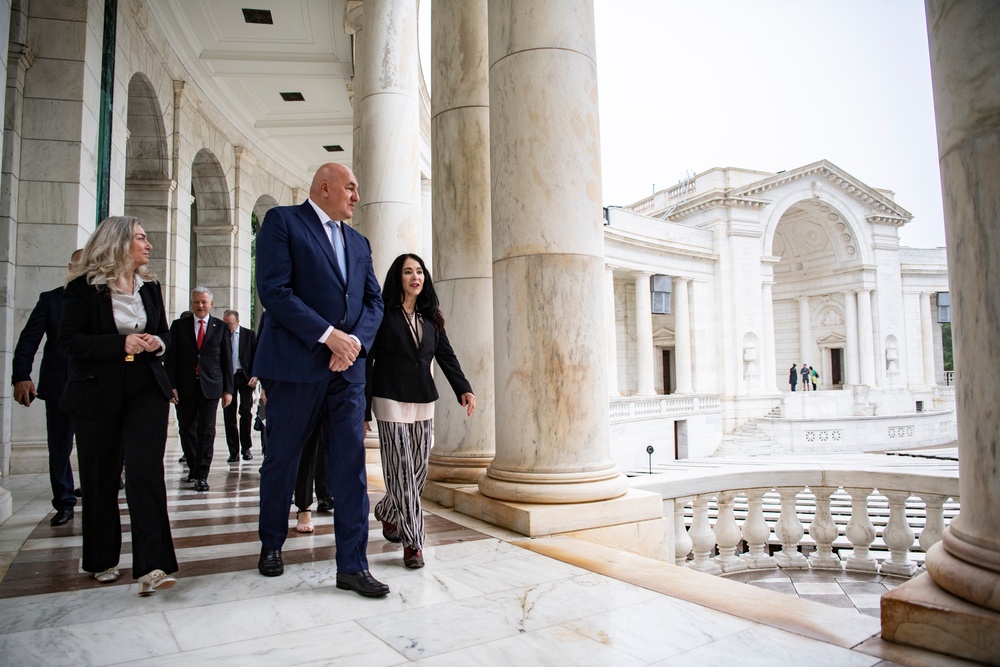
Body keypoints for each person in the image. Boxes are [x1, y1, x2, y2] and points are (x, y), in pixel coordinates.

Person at [253, 162, 387, 597]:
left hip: (346, 374)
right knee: (283, 459)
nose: (356, 196)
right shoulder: (283, 222)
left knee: (350, 467)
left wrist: (351, 344)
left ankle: (353, 565)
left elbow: (374, 302)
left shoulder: (360, 242)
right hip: (296, 367)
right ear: (324, 187)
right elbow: (275, 290)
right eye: (351, 187)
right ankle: (271, 544)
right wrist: (328, 337)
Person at [58, 215, 178, 595]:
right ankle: (100, 558)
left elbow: (164, 332)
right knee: (100, 475)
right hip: (97, 388)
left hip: (146, 385)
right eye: (142, 238)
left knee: (145, 471)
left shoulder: (150, 287)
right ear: (120, 242)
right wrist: (119, 344)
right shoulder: (83, 289)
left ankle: (153, 565)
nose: (149, 245)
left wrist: (156, 343)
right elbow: (69, 341)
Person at [365, 253, 476, 569]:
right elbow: (367, 364)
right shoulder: (382, 315)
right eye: (407, 272)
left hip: (423, 400)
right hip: (388, 399)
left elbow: (446, 356)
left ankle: (388, 510)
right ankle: (414, 542)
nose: (415, 276)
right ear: (397, 278)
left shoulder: (431, 318)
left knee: (417, 471)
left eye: (419, 271)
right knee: (400, 472)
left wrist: (463, 388)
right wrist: (363, 410)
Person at [11, 250, 82, 527]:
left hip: (95, 387)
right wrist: (21, 375)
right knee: (59, 447)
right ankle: (64, 502)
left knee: (97, 447)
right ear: (69, 268)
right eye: (78, 266)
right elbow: (28, 340)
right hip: (59, 386)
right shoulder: (50, 300)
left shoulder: (105, 300)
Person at [165, 288, 233, 492]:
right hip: (185, 387)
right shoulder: (179, 326)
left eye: (204, 302)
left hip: (211, 386)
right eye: (196, 302)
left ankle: (202, 474)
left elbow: (227, 360)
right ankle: (194, 467)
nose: (200, 306)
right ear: (192, 303)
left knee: (207, 431)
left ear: (211, 304)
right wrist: (171, 386)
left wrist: (228, 390)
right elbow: (171, 358)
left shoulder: (220, 327)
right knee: (186, 429)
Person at [222, 309, 257, 462]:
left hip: (245, 377)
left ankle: (246, 448)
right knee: (229, 414)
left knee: (245, 411)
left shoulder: (249, 335)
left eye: (230, 323)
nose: (227, 326)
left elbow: (256, 356)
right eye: (225, 323)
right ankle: (233, 451)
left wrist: (256, 375)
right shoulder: (220, 335)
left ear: (237, 322)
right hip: (228, 378)